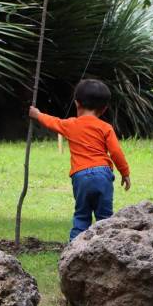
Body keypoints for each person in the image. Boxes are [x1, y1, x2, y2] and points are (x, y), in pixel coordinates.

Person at [28, 79, 131, 240]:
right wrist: (125, 173)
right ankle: (108, 248)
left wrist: (37, 115)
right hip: (103, 174)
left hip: (80, 176)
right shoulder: (106, 128)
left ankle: (73, 250)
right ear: (104, 109)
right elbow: (116, 152)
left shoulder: (70, 124)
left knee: (82, 216)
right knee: (105, 218)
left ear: (77, 103)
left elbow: (52, 122)